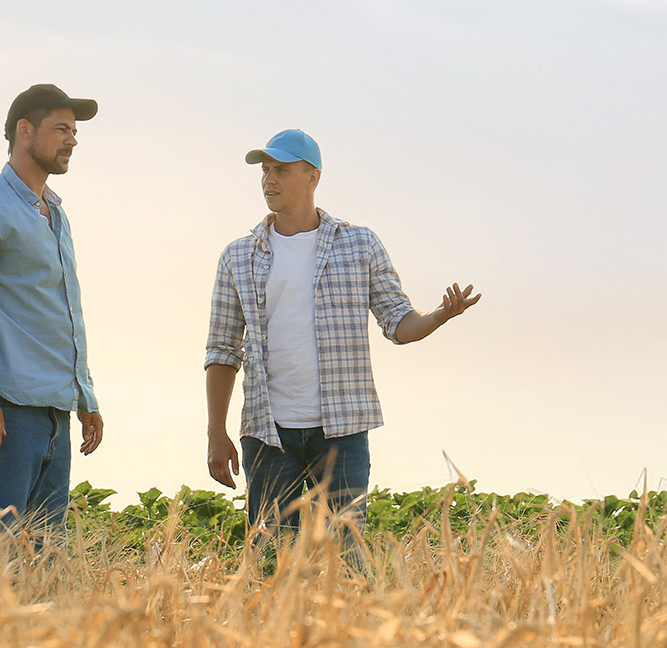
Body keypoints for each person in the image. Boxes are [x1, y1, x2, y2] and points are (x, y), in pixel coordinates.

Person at [204, 128, 480, 560]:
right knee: (266, 565)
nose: (269, 180)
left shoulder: (359, 244)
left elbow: (398, 322)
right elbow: (222, 350)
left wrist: (440, 315)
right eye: (265, 170)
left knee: (348, 561)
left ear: (313, 177)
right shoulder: (238, 256)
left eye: (282, 170)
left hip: (342, 432)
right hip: (267, 432)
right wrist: (216, 432)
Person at [0, 83, 105, 553]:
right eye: (61, 129)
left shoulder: (55, 213)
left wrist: (85, 395)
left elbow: (64, 310)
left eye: (74, 131)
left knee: (43, 570)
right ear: (24, 131)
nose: (72, 140)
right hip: (4, 412)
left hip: (55, 414)